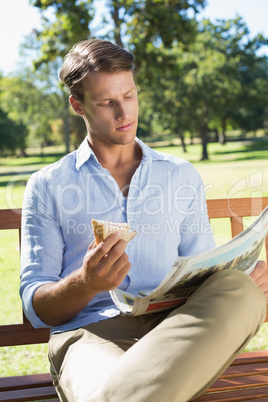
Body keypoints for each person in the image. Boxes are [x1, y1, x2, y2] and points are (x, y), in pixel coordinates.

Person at [20, 39, 268, 402]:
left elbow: (203, 272)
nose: (125, 114)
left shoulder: (180, 175)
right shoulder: (47, 185)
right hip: (90, 335)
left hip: (178, 330)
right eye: (107, 103)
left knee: (238, 289)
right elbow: (36, 306)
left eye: (130, 96)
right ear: (78, 105)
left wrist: (241, 276)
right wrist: (86, 283)